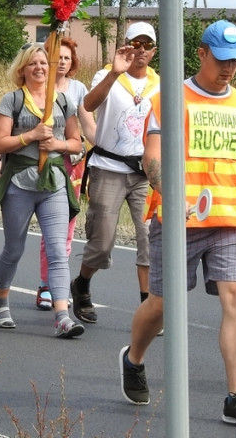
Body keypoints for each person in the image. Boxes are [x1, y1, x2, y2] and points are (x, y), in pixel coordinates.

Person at [120, 20, 236, 427]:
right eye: (220, 60)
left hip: (231, 220)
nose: (228, 69)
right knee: (164, 306)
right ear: (201, 53)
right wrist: (172, 193)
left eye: (234, 62)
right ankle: (134, 360)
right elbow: (152, 157)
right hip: (178, 219)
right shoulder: (170, 98)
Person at [0, 42, 85, 338]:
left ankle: (62, 316)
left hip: (53, 182)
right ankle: (1, 302)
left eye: (44, 63)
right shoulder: (12, 100)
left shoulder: (62, 101)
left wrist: (58, 144)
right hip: (19, 183)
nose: (39, 68)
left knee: (57, 251)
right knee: (14, 249)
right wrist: (30, 136)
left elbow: (77, 142)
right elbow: (0, 144)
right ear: (22, 69)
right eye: (33, 64)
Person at [70, 22, 159, 323]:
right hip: (109, 167)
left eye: (147, 45)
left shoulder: (160, 84)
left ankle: (147, 307)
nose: (141, 50)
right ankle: (82, 284)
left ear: (154, 50)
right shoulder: (109, 74)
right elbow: (89, 104)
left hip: (144, 172)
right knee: (102, 241)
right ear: (126, 45)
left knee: (149, 239)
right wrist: (114, 72)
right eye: (136, 43)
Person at [35, 36, 96, 309]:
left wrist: (107, 146)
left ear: (73, 63)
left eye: (66, 58)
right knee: (39, 227)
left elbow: (89, 127)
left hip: (70, 164)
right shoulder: (37, 84)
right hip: (39, 162)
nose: (61, 62)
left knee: (65, 226)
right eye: (57, 56)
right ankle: (42, 284)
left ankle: (54, 285)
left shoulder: (79, 88)